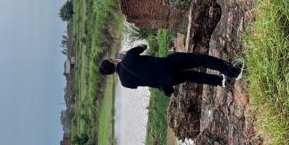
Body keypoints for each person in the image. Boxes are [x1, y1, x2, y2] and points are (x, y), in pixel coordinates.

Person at [99, 44, 243, 96]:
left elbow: (139, 81)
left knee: (190, 76)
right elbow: (143, 46)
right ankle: (233, 72)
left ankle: (221, 82)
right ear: (112, 60)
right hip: (167, 65)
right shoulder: (128, 58)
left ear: (110, 74)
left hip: (166, 81)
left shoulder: (125, 82)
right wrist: (125, 54)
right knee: (199, 59)